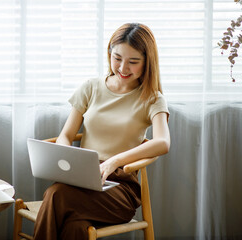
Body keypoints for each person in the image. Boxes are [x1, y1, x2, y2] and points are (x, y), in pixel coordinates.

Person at [33, 23, 170, 240]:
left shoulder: (152, 98)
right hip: (82, 180)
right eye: (117, 58)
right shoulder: (91, 87)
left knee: (56, 194)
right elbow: (66, 135)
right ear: (109, 54)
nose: (123, 68)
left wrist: (114, 161)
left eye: (133, 62)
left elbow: (163, 142)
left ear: (147, 62)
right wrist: (64, 158)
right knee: (75, 227)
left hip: (120, 189)